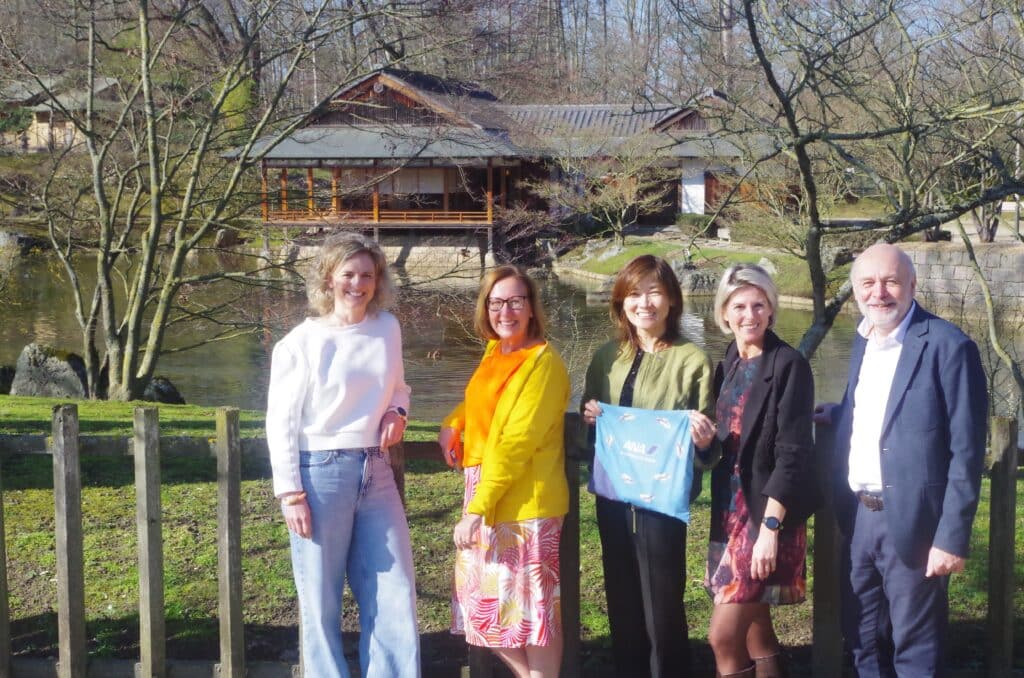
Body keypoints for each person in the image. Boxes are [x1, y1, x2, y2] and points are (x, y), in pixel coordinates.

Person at [818, 243, 987, 676]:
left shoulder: (950, 347)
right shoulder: (864, 339)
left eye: (890, 281)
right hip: (859, 518)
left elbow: (967, 452)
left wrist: (950, 538)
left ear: (912, 284)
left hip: (916, 522)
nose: (878, 293)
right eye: (867, 283)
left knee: (915, 650)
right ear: (855, 289)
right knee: (862, 641)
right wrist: (840, 414)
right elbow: (879, 408)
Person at [265, 233, 420, 678]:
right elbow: (281, 421)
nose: (358, 284)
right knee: (321, 598)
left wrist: (397, 411)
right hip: (320, 475)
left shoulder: (387, 328)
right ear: (329, 278)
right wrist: (290, 493)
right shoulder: (301, 342)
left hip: (377, 470)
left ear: (378, 280)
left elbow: (400, 387)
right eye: (348, 274)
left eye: (367, 275)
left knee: (394, 589)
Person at [580, 254, 717, 678]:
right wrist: (590, 418)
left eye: (654, 293)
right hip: (614, 497)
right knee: (621, 598)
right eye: (634, 294)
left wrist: (704, 440)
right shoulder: (606, 358)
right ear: (621, 302)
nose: (645, 303)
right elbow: (589, 430)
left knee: (663, 603)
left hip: (662, 501)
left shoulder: (692, 360)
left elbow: (709, 445)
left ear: (672, 299)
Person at [439, 265, 570, 678]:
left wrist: (477, 509)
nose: (505, 312)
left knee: (532, 614)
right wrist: (453, 423)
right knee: (480, 607)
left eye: (515, 301)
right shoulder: (495, 351)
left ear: (531, 307)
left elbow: (516, 442)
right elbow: (481, 402)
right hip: (487, 491)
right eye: (496, 303)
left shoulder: (543, 364)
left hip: (526, 502)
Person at [704, 264, 819, 678]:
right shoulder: (729, 362)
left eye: (759, 305)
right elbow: (728, 440)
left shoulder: (789, 365)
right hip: (730, 509)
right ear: (724, 312)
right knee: (756, 630)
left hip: (767, 514)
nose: (749, 315)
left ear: (771, 309)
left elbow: (793, 453)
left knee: (722, 637)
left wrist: (770, 529)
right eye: (739, 306)